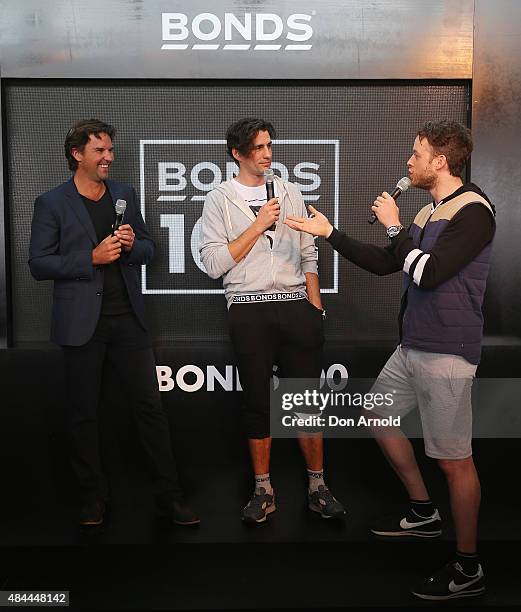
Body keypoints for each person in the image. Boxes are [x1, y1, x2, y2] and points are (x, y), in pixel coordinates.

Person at [284, 121, 495, 600]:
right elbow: (388, 262)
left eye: (416, 153)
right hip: (413, 344)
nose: (409, 160)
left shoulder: (474, 211)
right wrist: (330, 233)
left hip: (448, 351)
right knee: (377, 413)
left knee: (454, 462)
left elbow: (430, 272)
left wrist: (397, 227)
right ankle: (423, 513)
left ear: (440, 161)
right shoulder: (428, 212)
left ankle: (468, 566)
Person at [29, 119, 199, 528]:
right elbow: (38, 264)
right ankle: (93, 498)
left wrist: (128, 248)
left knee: (150, 410)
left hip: (129, 321)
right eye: (99, 151)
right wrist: (90, 257)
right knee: (83, 414)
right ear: (77, 155)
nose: (108, 158)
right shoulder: (51, 203)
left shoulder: (124, 194)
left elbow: (148, 249)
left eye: (110, 150)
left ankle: (169, 497)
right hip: (80, 323)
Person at [199, 117, 345, 523]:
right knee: (258, 402)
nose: (267, 154)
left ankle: (318, 486)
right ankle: (263, 490)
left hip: (296, 306)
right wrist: (258, 224)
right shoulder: (218, 200)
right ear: (237, 154)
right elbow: (213, 264)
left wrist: (314, 305)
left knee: (305, 402)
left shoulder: (289, 191)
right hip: (248, 307)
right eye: (259, 148)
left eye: (269, 146)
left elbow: (309, 250)